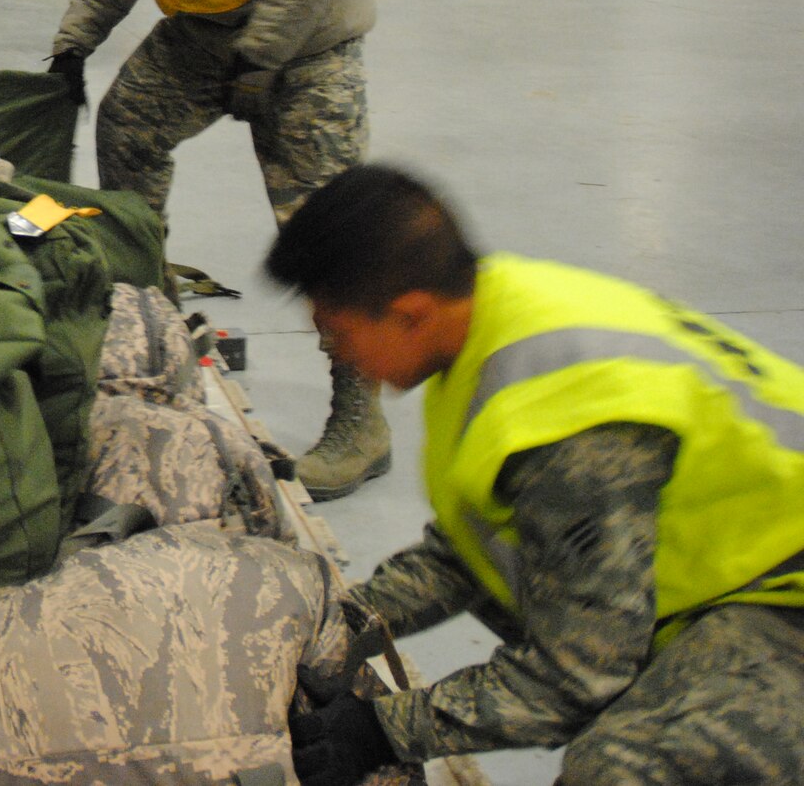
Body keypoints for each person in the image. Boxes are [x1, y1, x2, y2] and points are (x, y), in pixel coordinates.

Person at [265, 164, 804, 786]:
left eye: (338, 334)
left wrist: (383, 731)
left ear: (411, 314)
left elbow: (575, 675)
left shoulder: (565, 422)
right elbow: (481, 546)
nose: (335, 354)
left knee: (621, 769)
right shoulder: (494, 322)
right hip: (743, 575)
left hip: (783, 603)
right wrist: (344, 624)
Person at [48, 0, 381, 498]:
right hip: (204, 35)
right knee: (126, 129)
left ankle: (360, 419)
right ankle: (155, 324)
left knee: (325, 231)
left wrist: (265, 57)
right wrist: (71, 48)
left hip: (304, 41)